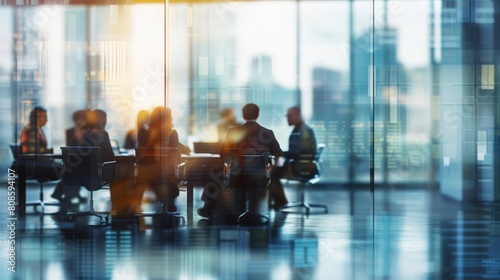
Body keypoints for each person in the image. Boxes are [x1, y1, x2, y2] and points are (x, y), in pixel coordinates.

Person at [198, 103, 283, 218]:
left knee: (216, 175)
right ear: (258, 115)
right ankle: (253, 210)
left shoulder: (232, 131)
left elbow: (222, 152)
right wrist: (272, 169)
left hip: (236, 177)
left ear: (243, 115)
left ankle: (207, 209)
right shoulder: (267, 133)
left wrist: (226, 166)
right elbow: (279, 154)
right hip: (260, 178)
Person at [268, 106, 317, 210]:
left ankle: (280, 202)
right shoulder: (300, 129)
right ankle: (279, 202)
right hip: (298, 164)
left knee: (270, 175)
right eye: (287, 116)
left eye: (291, 116)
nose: (288, 118)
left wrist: (280, 154)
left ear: (298, 116)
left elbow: (298, 152)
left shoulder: (303, 131)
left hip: (302, 167)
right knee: (272, 171)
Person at [137, 106, 181, 212]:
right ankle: (167, 207)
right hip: (166, 178)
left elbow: (140, 158)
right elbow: (177, 157)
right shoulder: (172, 134)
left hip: (147, 177)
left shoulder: (145, 135)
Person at [18, 106, 65, 204]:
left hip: (37, 164)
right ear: (36, 118)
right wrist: (53, 151)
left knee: (66, 166)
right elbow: (34, 152)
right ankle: (59, 194)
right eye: (44, 117)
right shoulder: (32, 131)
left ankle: (59, 193)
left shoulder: (37, 129)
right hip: (35, 167)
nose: (46, 119)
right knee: (68, 169)